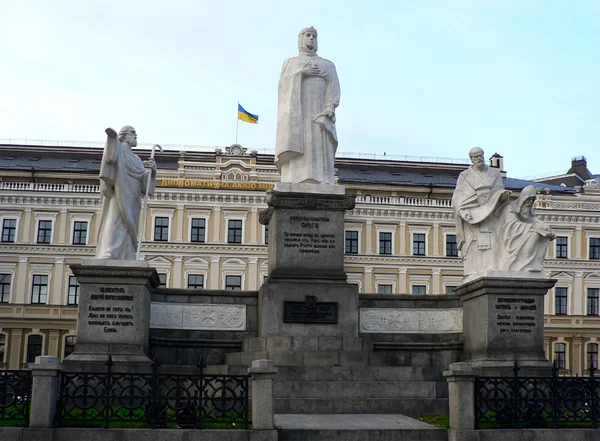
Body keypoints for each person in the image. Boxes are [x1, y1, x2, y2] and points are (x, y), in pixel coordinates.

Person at [275, 26, 341, 184]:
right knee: (302, 137)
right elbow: (283, 87)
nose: (311, 38)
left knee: (318, 138)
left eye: (314, 36)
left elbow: (334, 87)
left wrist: (329, 106)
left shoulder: (327, 65)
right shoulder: (291, 63)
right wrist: (301, 74)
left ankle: (322, 178)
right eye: (308, 35)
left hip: (319, 111)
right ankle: (295, 177)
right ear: (300, 39)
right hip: (299, 112)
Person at [95, 126, 156, 260]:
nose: (136, 135)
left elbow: (145, 187)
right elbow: (110, 158)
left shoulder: (137, 160)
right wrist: (112, 138)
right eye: (132, 132)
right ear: (124, 136)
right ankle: (110, 250)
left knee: (129, 228)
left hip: (134, 197)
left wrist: (152, 172)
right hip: (119, 190)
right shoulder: (119, 151)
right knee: (115, 219)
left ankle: (128, 253)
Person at [452, 147, 511, 279]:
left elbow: (499, 189)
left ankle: (492, 268)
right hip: (472, 214)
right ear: (471, 159)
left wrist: (501, 196)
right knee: (473, 244)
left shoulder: (494, 173)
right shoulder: (465, 176)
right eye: (475, 157)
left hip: (491, 212)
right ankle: (473, 272)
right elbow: (458, 197)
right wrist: (462, 211)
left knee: (494, 241)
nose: (479, 158)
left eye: (480, 156)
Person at [498, 185, 555, 272]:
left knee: (544, 236)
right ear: (523, 199)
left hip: (523, 233)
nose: (529, 202)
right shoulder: (510, 208)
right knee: (534, 234)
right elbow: (512, 225)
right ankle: (523, 264)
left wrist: (544, 228)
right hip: (511, 238)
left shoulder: (527, 210)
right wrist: (532, 227)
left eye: (532, 200)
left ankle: (536, 264)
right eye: (528, 199)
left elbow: (533, 220)